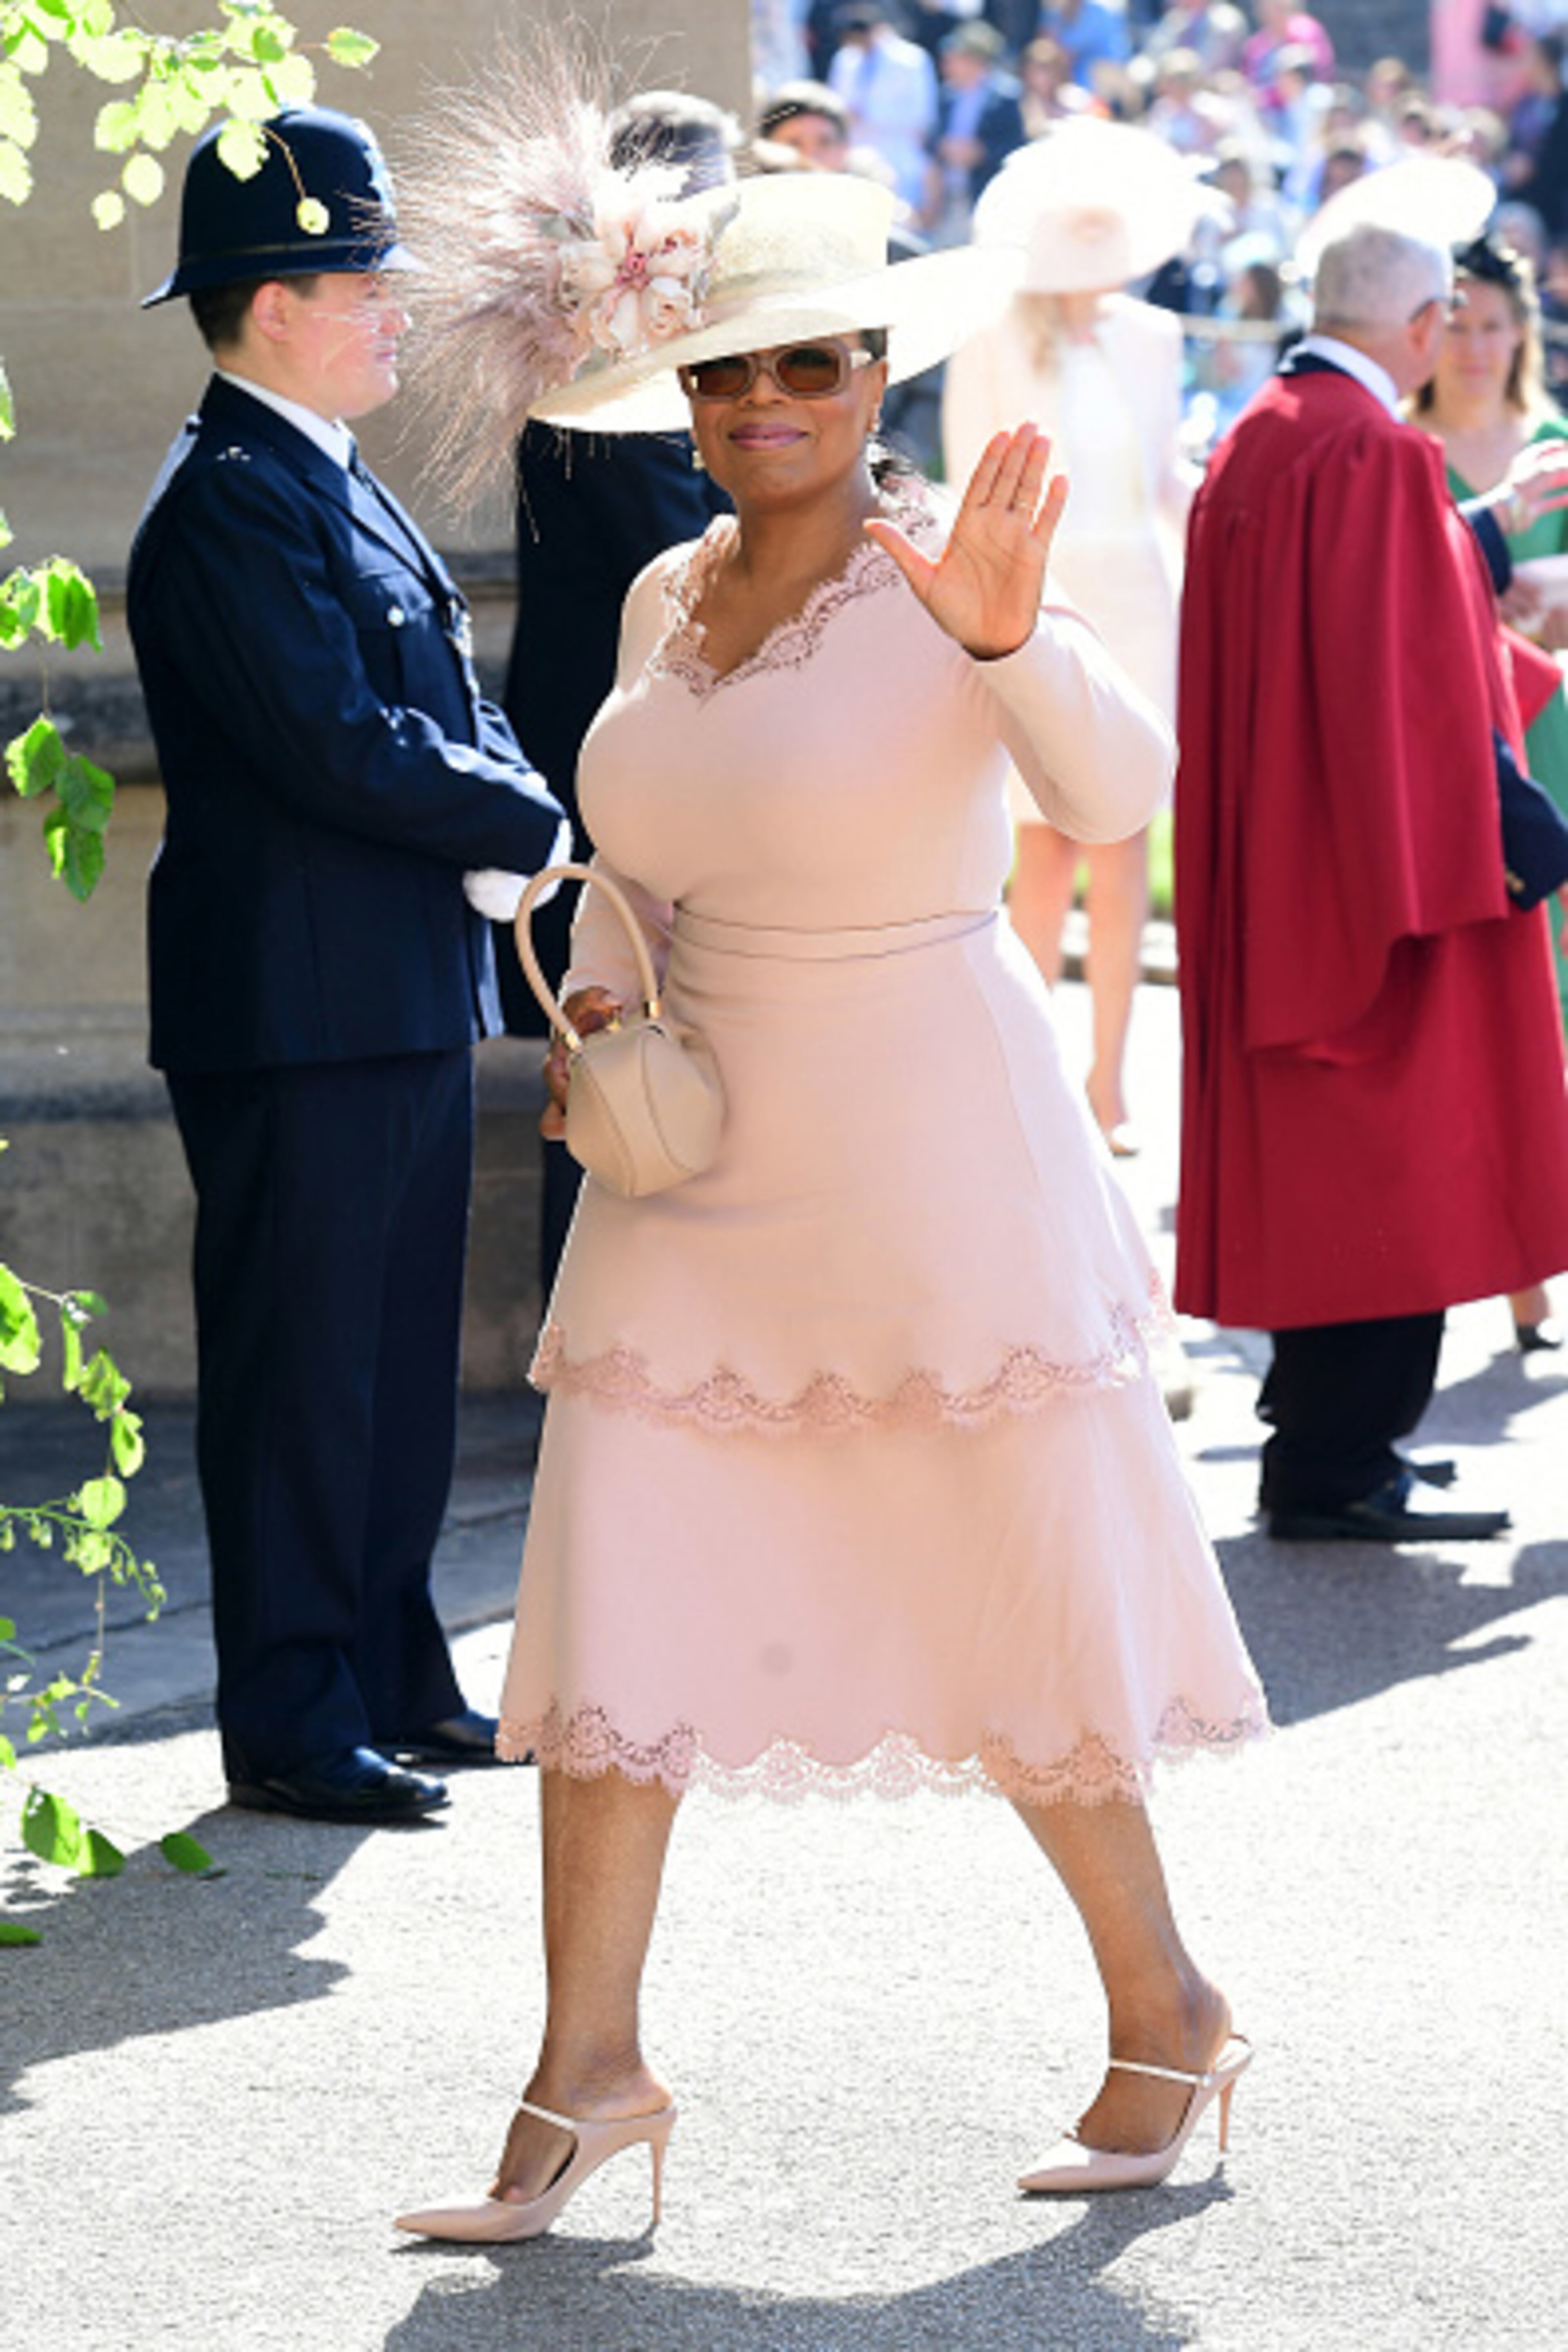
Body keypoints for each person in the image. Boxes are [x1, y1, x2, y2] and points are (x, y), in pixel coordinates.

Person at [390, 147, 1264, 2239]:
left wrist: (1013, 638)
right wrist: (605, 991)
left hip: (930, 1156)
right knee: (618, 1597)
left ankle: (1171, 2007)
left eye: (804, 364)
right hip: (689, 1172)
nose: (759, 401)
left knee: (1003, 1594)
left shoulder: (949, 572)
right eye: (721, 374)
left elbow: (1122, 798)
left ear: (875, 376)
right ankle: (584, 2075)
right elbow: (650, 863)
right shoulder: (656, 594)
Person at [127, 109, 565, 1822]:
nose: (395, 305)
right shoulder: (237, 493)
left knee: (385, 1355)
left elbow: (434, 701)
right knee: (305, 1366)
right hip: (297, 1002)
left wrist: (512, 790)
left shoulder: (317, 465)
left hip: (378, 984)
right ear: (275, 300)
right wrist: (527, 818)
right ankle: (298, 1714)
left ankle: (388, 1668)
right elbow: (334, 738)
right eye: (365, 275)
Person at [1176, 215, 1568, 1545]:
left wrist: (1485, 536)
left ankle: (1327, 1446)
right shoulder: (1378, 451)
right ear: (1419, 329)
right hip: (1373, 873)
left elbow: (1373, 622)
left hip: (1279, 857)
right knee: (1392, 1162)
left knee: (1328, 1171)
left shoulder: (1262, 433)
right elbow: (1411, 682)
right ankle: (1341, 1464)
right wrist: (1513, 829)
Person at [944, 121, 1202, 1154]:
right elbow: (974, 476)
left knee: (1124, 832)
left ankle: (1110, 1079)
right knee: (1039, 842)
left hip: (1138, 601)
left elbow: (1166, 481)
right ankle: (1036, 1067)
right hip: (1040, 602)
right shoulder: (992, 334)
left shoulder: (1153, 336)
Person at [1412, 228, 1568, 1352]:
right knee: (1513, 999)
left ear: (1523, 334)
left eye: (1495, 325)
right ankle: (1524, 1273)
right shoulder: (1405, 452)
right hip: (1475, 747)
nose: (1476, 345)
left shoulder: (1557, 444)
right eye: (1457, 323)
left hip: (1564, 715)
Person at [827, 0, 940, 209]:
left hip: (899, 155)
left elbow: (923, 115)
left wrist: (868, 116)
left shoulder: (912, 60)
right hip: (857, 157)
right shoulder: (845, 59)